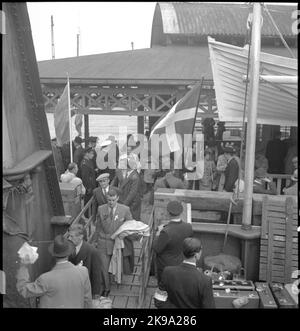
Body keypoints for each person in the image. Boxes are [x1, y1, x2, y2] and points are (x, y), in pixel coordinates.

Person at [16, 234, 92, 308]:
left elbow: (23, 289)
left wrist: (23, 266)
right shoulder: (83, 272)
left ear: (53, 254)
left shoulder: (45, 279)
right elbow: (87, 300)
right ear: (69, 253)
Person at [90, 187, 134, 296]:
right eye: (109, 200)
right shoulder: (101, 209)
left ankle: (116, 279)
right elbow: (98, 226)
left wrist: (125, 234)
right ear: (107, 199)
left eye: (113, 200)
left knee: (117, 265)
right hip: (103, 242)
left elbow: (130, 225)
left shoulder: (125, 209)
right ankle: (106, 288)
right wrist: (94, 241)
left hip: (117, 244)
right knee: (104, 267)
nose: (111, 202)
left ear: (117, 198)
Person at [160, 237, 215, 308]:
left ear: (183, 252)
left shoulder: (167, 272)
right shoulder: (205, 281)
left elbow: (159, 300)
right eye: (201, 250)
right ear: (196, 255)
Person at [153, 200, 193, 287]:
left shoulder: (166, 232)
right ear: (181, 213)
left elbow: (156, 249)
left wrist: (158, 233)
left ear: (168, 213)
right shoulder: (188, 227)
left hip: (166, 266)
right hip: (181, 262)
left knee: (164, 288)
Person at [68, 224, 106, 298]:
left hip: (85, 291)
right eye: (69, 236)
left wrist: (96, 293)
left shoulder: (92, 251)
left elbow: (96, 274)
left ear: (81, 236)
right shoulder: (67, 248)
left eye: (72, 236)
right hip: (71, 289)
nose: (69, 238)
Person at [111, 155, 142, 221]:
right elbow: (114, 182)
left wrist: (124, 204)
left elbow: (133, 193)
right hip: (122, 198)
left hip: (132, 202)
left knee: (133, 219)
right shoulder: (120, 172)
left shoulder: (135, 176)